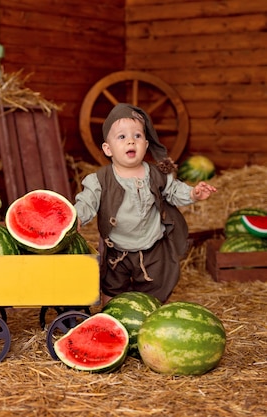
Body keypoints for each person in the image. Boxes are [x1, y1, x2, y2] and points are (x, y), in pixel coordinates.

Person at [75, 103, 217, 305]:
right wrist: (77, 216)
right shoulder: (100, 179)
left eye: (137, 136)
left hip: (152, 248)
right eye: (122, 137)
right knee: (112, 290)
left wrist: (193, 194)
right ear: (108, 149)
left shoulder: (156, 174)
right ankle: (109, 322)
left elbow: (174, 190)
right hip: (117, 250)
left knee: (155, 290)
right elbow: (87, 201)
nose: (131, 141)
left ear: (146, 144)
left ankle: (150, 319)